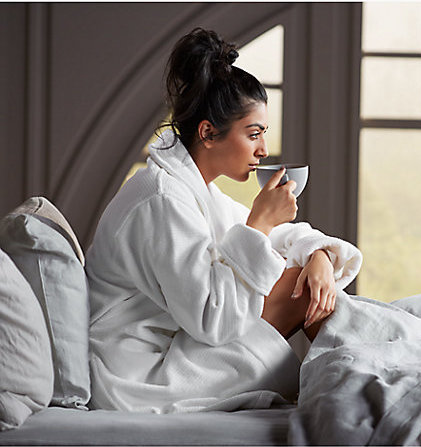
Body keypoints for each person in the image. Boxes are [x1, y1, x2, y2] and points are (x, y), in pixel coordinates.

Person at [85, 28, 362, 413]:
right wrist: (260, 225)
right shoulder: (161, 198)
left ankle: (364, 371)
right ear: (208, 133)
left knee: (306, 274)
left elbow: (284, 238)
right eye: (253, 134)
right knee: (300, 289)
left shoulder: (195, 189)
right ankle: (364, 380)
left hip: (171, 350)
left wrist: (319, 256)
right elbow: (213, 321)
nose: (264, 150)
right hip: (137, 375)